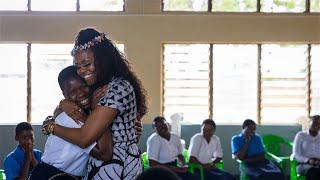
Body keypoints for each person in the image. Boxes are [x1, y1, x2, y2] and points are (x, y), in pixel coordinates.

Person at [42, 28, 147, 180]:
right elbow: (73, 106)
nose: (82, 71)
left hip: (117, 166)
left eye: (86, 63)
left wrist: (50, 127)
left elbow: (85, 138)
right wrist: (61, 105)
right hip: (98, 166)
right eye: (78, 66)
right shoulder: (97, 85)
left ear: (102, 59)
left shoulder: (116, 88)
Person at [30, 66, 113, 180]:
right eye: (73, 91)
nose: (80, 93)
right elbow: (104, 154)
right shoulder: (71, 118)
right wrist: (96, 109)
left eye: (83, 86)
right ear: (65, 95)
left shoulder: (79, 112)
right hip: (52, 175)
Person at [293, 115, 320, 180]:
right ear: (309, 123)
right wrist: (308, 160)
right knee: (313, 172)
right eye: (314, 123)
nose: (316, 125)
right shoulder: (300, 135)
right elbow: (296, 155)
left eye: (319, 124)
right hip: (304, 165)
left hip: (318, 164)